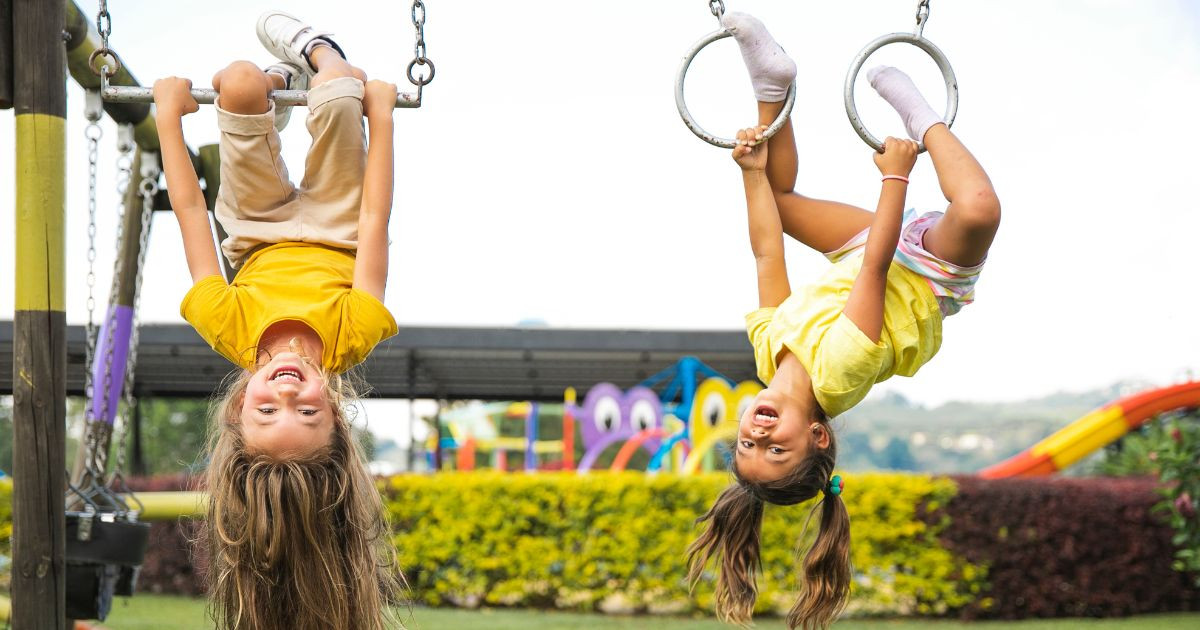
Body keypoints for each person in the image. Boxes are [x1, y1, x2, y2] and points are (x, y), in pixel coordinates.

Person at [686, 13, 1000, 630]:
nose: (760, 433)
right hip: (925, 273)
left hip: (860, 250)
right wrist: (896, 176)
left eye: (748, 443)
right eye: (776, 449)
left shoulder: (767, 352)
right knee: (981, 210)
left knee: (775, 200)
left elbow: (767, 250)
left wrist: (751, 173)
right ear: (819, 437)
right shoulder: (839, 374)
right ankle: (925, 119)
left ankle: (771, 82)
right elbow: (878, 272)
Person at [153, 10, 404, 629]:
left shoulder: (227, 325)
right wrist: (383, 118)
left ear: (239, 407)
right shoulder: (354, 332)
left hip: (256, 229)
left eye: (268, 411)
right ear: (337, 414)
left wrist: (166, 118)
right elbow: (375, 220)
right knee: (342, 87)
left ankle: (268, 90)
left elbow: (190, 213)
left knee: (235, 82)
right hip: (338, 226)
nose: (288, 392)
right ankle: (315, 52)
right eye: (308, 411)